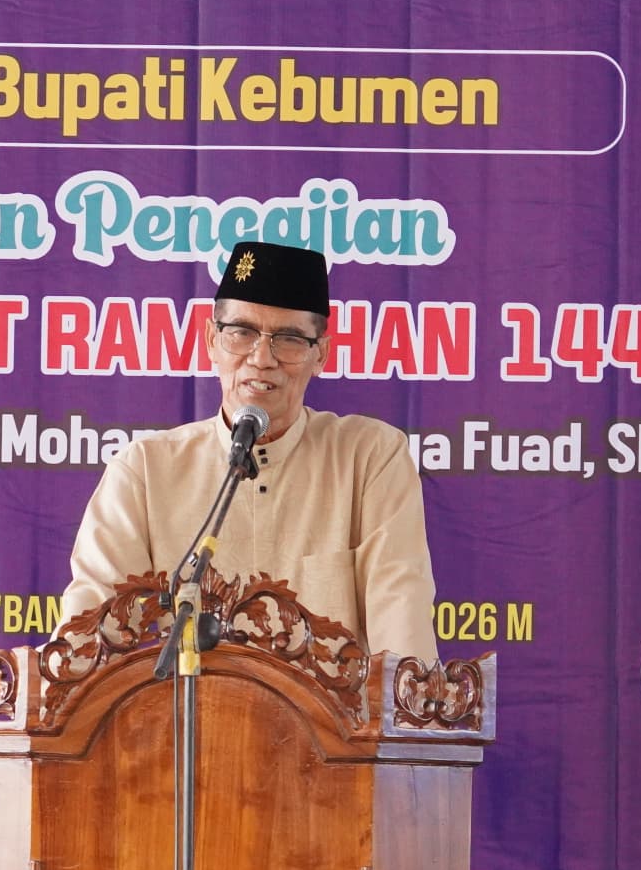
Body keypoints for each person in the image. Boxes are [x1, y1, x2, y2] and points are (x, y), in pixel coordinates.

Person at [60, 240, 437, 664]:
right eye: (241, 333)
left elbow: (401, 622)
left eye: (289, 339)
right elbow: (87, 638)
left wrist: (410, 697)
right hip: (182, 706)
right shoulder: (145, 470)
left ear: (320, 355)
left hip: (328, 710)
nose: (261, 359)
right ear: (212, 340)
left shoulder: (369, 458)